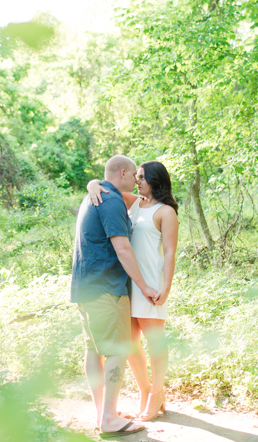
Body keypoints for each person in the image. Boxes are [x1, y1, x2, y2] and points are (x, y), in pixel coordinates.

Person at [71, 154, 159, 438]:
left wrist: (92, 182)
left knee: (94, 351)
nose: (136, 181)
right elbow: (122, 248)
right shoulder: (109, 202)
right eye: (134, 175)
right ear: (123, 173)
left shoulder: (96, 197)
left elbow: (134, 198)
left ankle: (103, 414)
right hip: (106, 288)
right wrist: (145, 286)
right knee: (118, 350)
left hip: (85, 289)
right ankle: (109, 418)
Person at [87, 160, 179, 421]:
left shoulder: (165, 212)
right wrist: (92, 184)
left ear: (155, 180)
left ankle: (156, 394)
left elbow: (170, 252)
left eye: (142, 177)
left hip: (152, 284)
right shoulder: (135, 202)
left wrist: (166, 286)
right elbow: (107, 186)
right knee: (129, 342)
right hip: (130, 282)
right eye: (136, 176)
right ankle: (145, 390)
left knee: (155, 343)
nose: (137, 180)